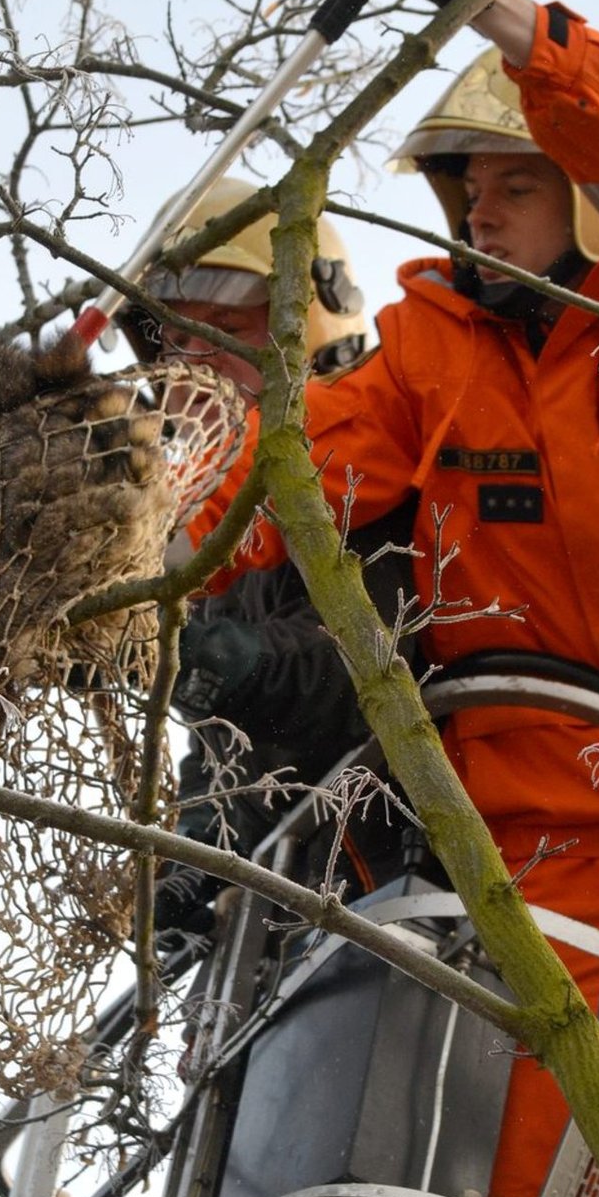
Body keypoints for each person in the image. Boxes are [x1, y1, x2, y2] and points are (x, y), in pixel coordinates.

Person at [175, 0, 599, 1197]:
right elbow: (276, 479)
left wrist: (485, 2)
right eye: (471, 192)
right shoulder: (425, 365)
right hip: (528, 838)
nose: (484, 215)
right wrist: (124, 568)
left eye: (519, 187)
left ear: (584, 205)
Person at [117, 178, 417, 938]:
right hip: (289, 931)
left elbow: (379, 666)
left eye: (220, 332)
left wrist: (238, 660)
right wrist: (192, 865)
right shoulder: (208, 535)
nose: (190, 366)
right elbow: (223, 754)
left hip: (411, 888)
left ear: (301, 328)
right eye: (175, 341)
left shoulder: (364, 462)